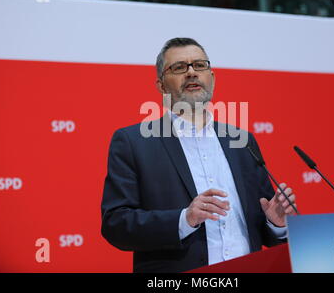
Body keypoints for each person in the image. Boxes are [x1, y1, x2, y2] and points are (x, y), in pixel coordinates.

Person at [100, 37, 297, 273]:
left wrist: (276, 223)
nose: (192, 73)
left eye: (200, 65)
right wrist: (185, 219)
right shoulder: (134, 142)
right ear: (161, 86)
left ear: (211, 78)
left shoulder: (241, 140)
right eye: (180, 67)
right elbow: (116, 225)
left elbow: (264, 231)